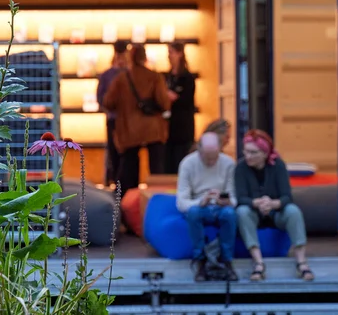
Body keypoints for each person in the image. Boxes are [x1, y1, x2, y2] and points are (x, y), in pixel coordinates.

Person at [235, 129, 314, 281]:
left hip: (276, 211)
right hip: (254, 212)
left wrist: (273, 203)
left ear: (265, 153)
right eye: (246, 152)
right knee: (242, 212)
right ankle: (258, 263)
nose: (248, 156)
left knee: (293, 211)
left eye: (253, 152)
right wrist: (256, 203)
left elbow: (287, 196)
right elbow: (240, 198)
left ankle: (302, 262)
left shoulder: (278, 165)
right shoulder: (241, 168)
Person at [102, 44, 170, 198]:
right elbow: (164, 103)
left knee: (130, 170)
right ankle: (156, 199)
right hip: (153, 129)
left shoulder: (121, 79)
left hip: (129, 130)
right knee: (156, 170)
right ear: (145, 58)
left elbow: (108, 102)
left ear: (130, 58)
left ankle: (129, 203)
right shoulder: (155, 77)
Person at [177, 132, 238, 281]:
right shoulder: (188, 164)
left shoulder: (229, 163)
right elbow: (181, 202)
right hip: (198, 204)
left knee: (229, 214)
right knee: (194, 213)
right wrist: (201, 201)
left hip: (221, 206)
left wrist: (226, 201)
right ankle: (200, 261)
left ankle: (226, 260)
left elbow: (235, 198)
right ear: (199, 150)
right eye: (207, 157)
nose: (211, 162)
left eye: (214, 157)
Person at [96, 40, 129, 186]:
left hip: (124, 120)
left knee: (125, 153)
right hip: (117, 119)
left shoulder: (124, 74)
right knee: (114, 152)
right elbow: (101, 98)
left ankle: (121, 182)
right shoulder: (111, 75)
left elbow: (101, 98)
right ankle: (115, 181)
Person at [163, 41, 196, 173]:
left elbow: (186, 100)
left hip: (183, 128)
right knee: (168, 164)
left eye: (171, 53)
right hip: (168, 128)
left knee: (181, 161)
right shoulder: (168, 77)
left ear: (180, 54)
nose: (169, 56)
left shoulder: (187, 78)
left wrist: (172, 96)